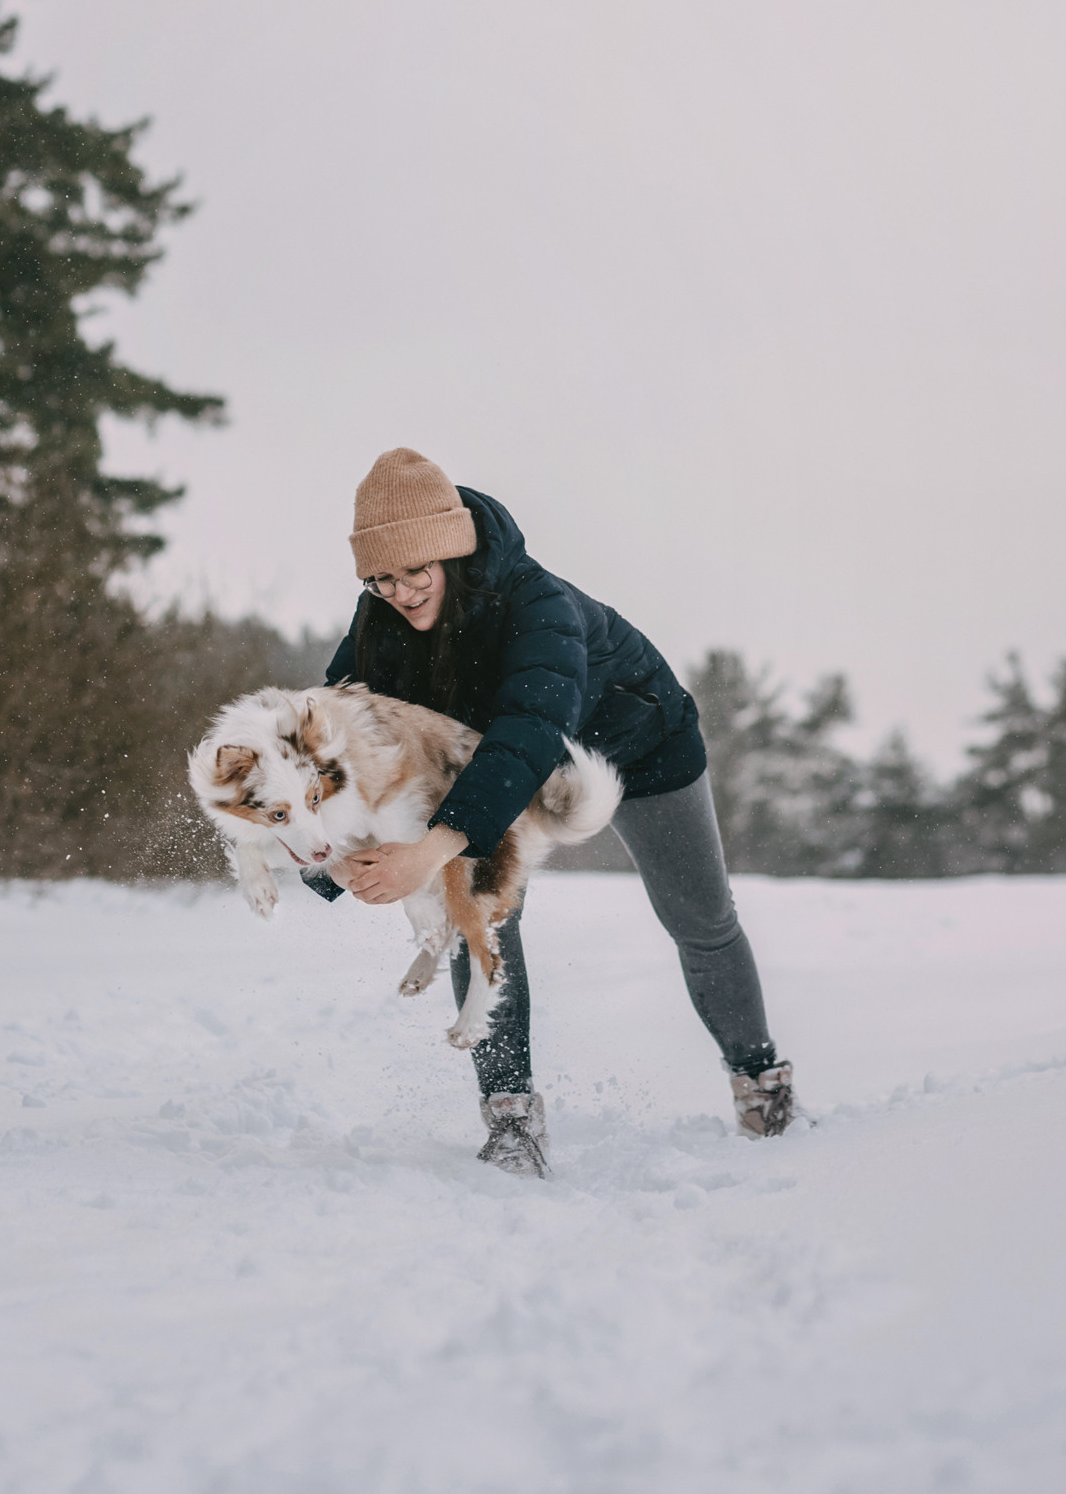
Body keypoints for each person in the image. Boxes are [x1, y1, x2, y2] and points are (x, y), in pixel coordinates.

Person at [301, 447, 795, 1177]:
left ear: (452, 553)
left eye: (415, 572)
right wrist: (324, 854)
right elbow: (337, 731)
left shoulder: (539, 606)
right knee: (483, 914)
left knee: (698, 916)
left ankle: (761, 1086)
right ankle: (511, 1121)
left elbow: (528, 733)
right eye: (380, 577)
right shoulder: (380, 617)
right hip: (492, 757)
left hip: (637, 746)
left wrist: (431, 848)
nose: (399, 592)